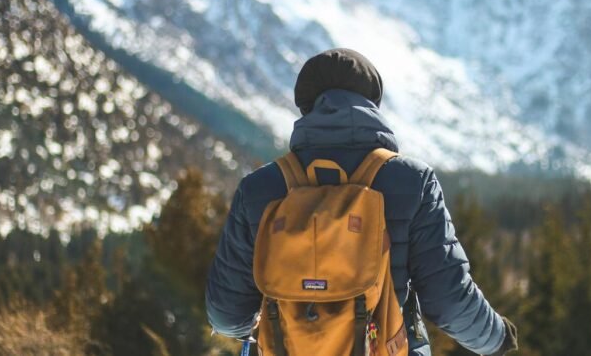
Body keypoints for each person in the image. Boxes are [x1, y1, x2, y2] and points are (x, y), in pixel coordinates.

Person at [205, 48, 519, 355]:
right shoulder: (413, 181)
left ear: (307, 106)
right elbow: (448, 301)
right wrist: (498, 338)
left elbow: (226, 314)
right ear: (372, 105)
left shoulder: (259, 188)